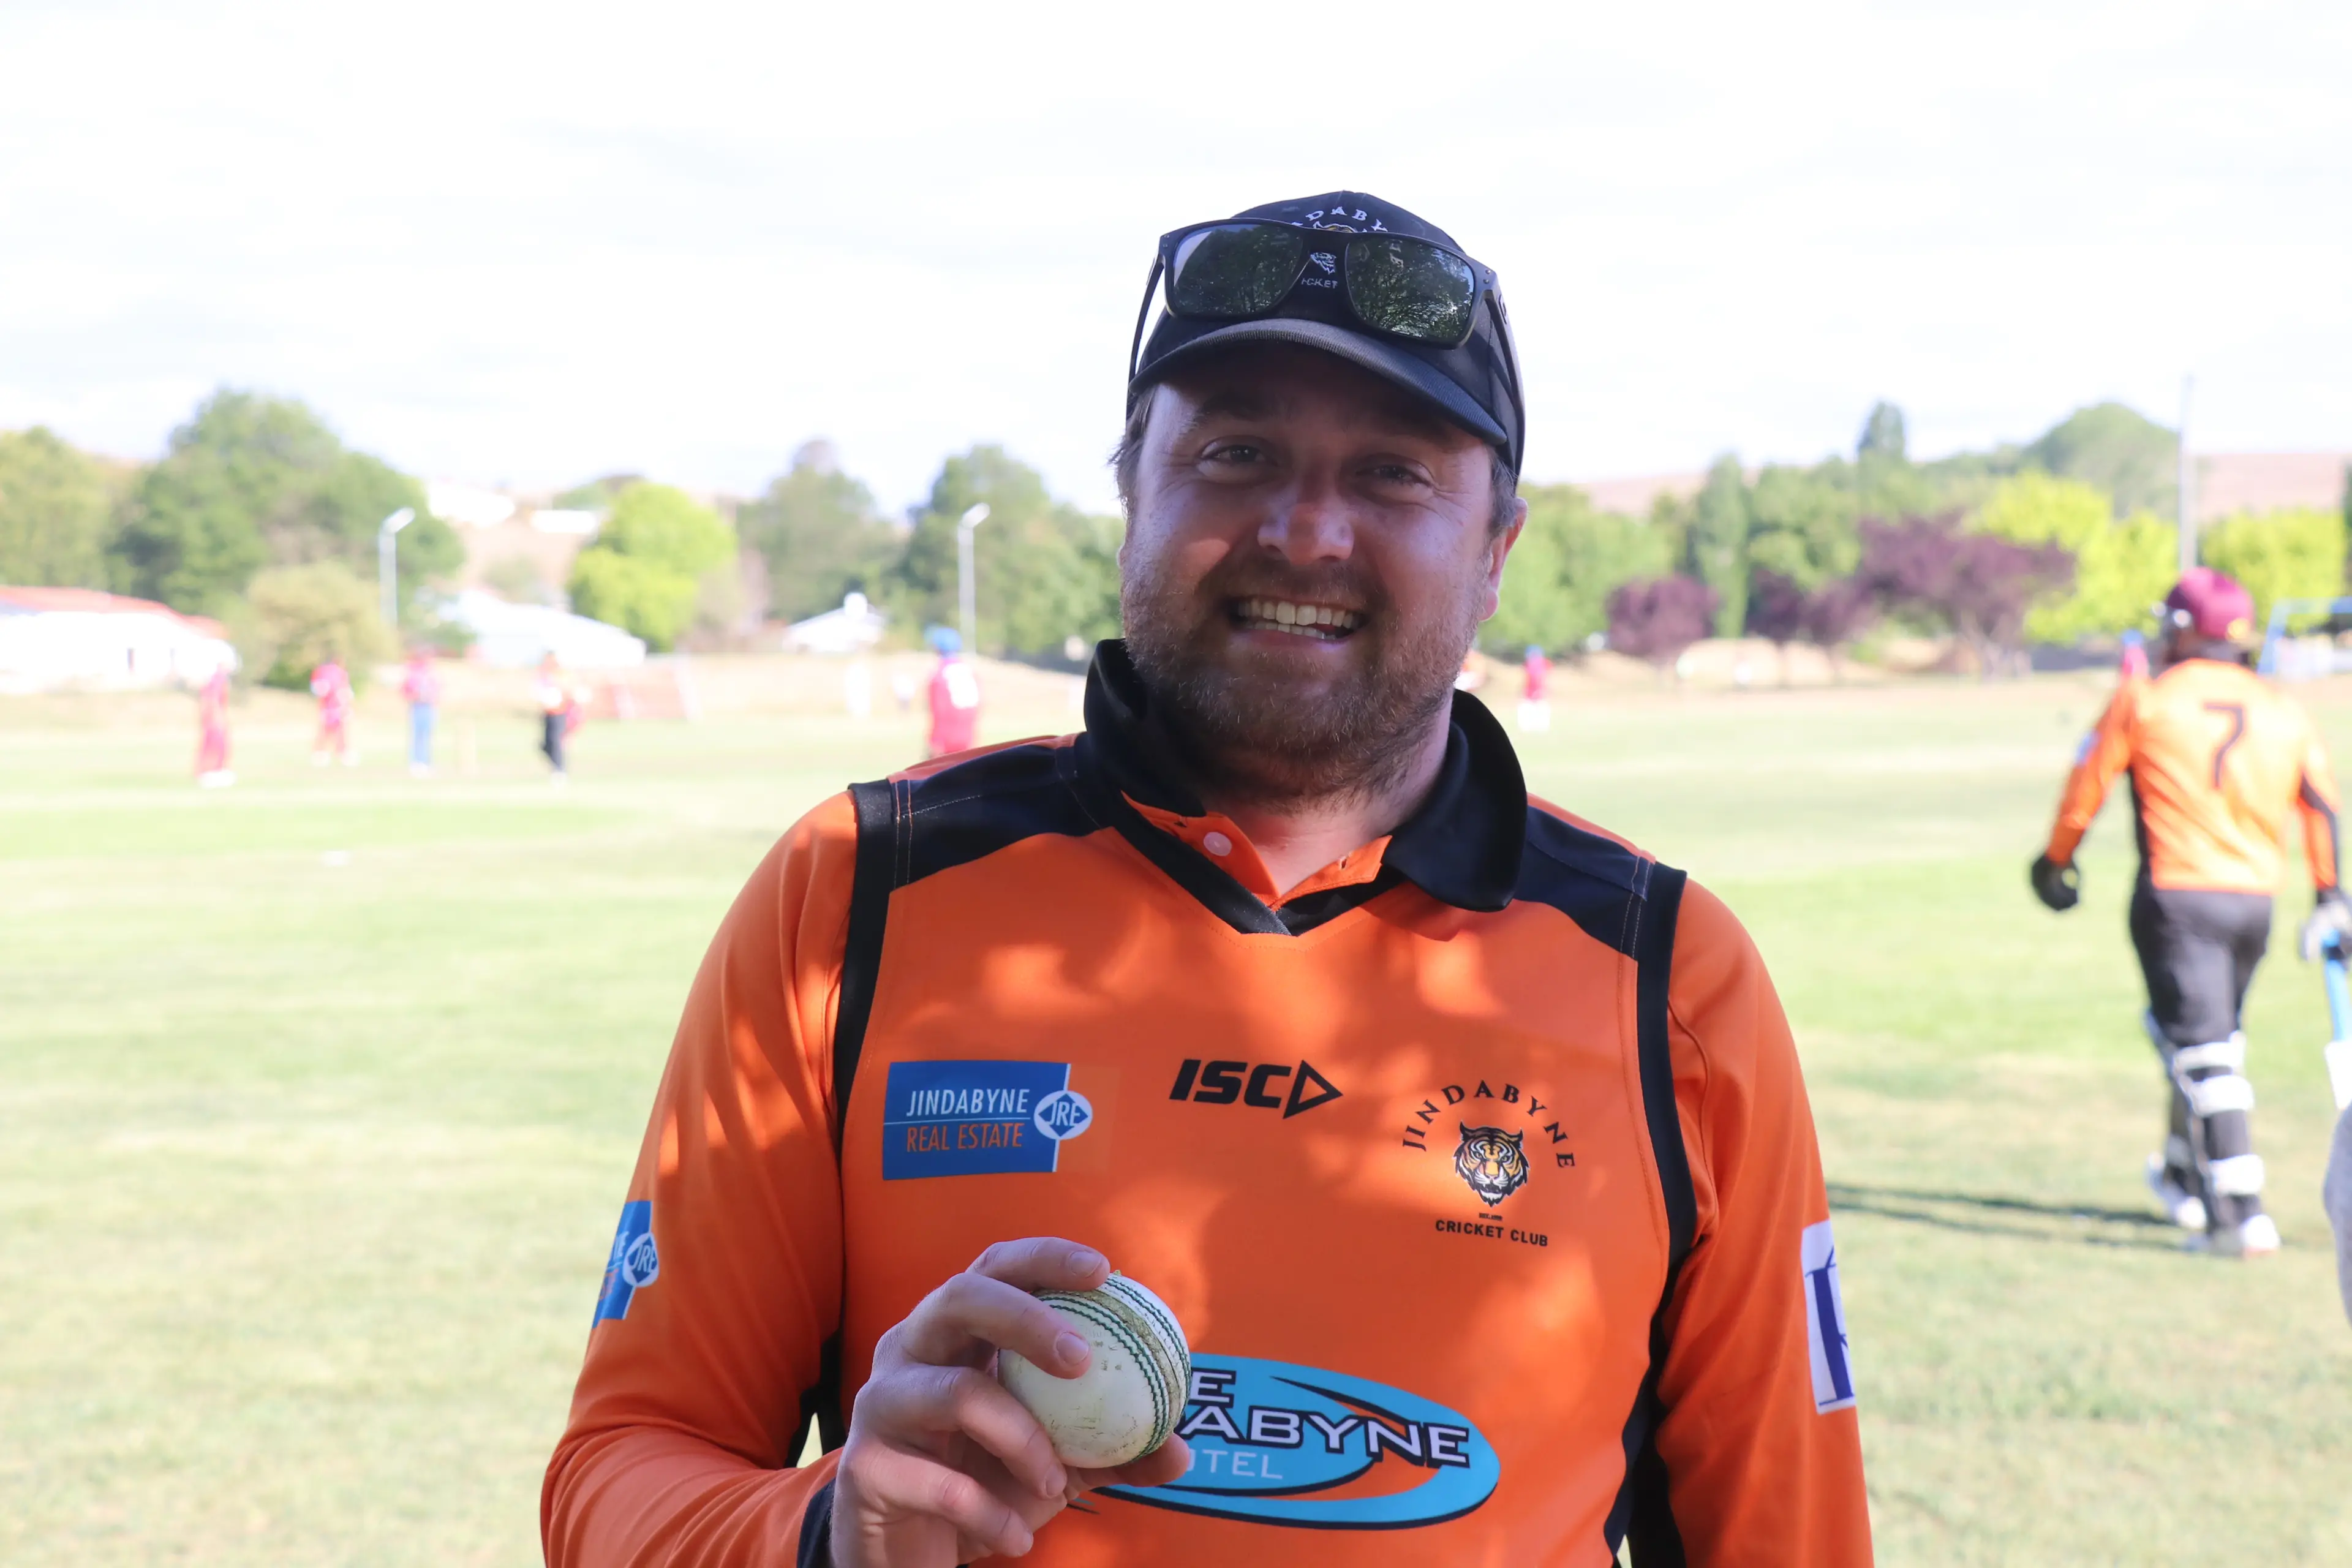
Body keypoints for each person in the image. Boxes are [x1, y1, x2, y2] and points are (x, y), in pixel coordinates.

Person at [545, 190, 1871, 1567]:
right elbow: (617, 1476)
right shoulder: (857, 894)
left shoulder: (1667, 977)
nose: (1305, 531)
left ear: (1495, 551)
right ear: (1135, 491)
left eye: (1395, 472)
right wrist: (828, 1531)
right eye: (1236, 451)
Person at [2030, 567, 2346, 1257]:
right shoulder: (2280, 707)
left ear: (2181, 629)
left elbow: (2087, 785)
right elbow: (2322, 804)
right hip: (2254, 902)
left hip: (2177, 896)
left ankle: (2240, 1214)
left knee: (2205, 1052)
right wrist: (2330, 894)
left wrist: (2056, 861)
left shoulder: (2147, 698)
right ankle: (2182, 1174)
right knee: (2197, 1038)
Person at [924, 626, 981, 758]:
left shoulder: (939, 676)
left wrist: (935, 741)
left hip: (946, 739)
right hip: (969, 737)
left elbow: (939, 711)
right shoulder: (970, 672)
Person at [533, 654, 579, 783]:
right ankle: (556, 766)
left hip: (559, 713)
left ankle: (560, 770)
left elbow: (569, 692)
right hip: (547, 713)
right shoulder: (543, 676)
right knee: (545, 745)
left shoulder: (561, 675)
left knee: (556, 741)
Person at [401, 649, 440, 777]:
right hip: (418, 707)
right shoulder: (413, 673)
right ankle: (416, 763)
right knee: (417, 736)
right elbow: (405, 691)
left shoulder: (431, 674)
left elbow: (437, 691)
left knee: (427, 736)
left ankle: (426, 763)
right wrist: (415, 696)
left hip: (429, 707)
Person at [309, 657, 355, 766]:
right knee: (336, 732)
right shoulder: (338, 673)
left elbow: (319, 690)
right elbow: (343, 691)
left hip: (329, 708)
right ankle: (335, 754)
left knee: (329, 732)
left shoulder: (322, 672)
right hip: (335, 708)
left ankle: (323, 754)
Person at [194, 663, 234, 786]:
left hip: (213, 716)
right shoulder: (217, 680)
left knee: (217, 745)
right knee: (215, 745)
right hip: (214, 718)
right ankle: (210, 771)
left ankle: (213, 770)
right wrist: (216, 717)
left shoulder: (216, 679)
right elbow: (213, 699)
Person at [1518, 644, 1553, 733]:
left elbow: (1542, 678)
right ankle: (1529, 727)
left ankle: (1541, 727)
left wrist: (1540, 690)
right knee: (1528, 708)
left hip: (1538, 690)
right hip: (1530, 691)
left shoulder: (1542, 663)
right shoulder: (1529, 664)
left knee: (1540, 708)